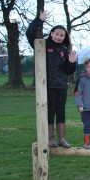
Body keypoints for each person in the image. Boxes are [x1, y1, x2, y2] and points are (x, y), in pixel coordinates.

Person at [26, 10, 77, 148]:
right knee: (49, 111)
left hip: (61, 85)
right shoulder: (43, 45)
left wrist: (72, 62)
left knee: (60, 111)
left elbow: (69, 71)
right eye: (57, 34)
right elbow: (29, 34)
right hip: (46, 85)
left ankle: (62, 138)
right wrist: (39, 20)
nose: (59, 37)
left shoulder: (65, 51)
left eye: (62, 35)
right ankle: (50, 138)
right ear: (51, 34)